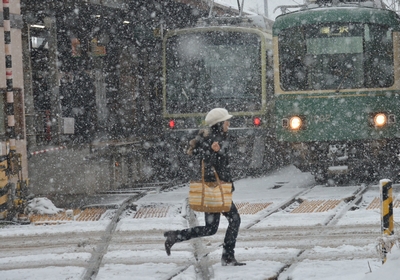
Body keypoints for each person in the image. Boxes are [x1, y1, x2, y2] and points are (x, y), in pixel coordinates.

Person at [163, 108, 245, 266]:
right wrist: (215, 156)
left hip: (217, 189)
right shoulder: (213, 139)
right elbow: (206, 163)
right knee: (234, 220)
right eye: (226, 120)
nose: (229, 123)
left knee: (211, 228)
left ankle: (175, 236)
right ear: (220, 124)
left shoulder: (217, 137)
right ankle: (228, 256)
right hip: (215, 189)